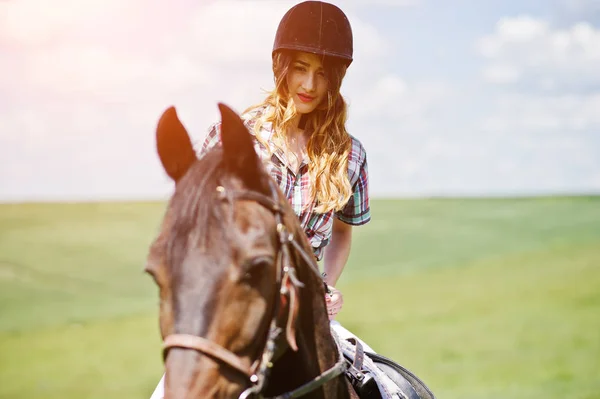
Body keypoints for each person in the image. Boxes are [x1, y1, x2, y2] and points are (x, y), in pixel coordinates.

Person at [149, 2, 371, 397]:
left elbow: (342, 233)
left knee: (387, 385)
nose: (309, 85)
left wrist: (327, 286)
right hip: (240, 308)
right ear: (282, 67)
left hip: (308, 313)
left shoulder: (351, 155)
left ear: (335, 79)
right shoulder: (236, 137)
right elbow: (207, 226)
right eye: (300, 68)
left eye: (322, 74)